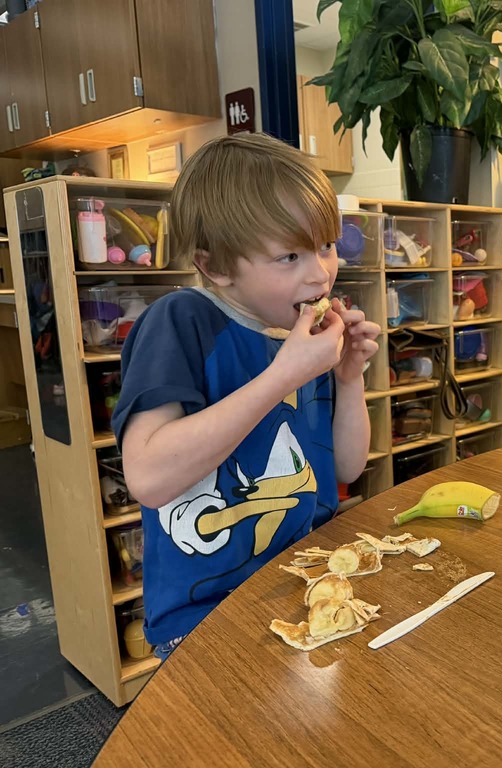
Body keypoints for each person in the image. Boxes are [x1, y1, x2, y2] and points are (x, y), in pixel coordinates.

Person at [111, 133, 380, 659]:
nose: (320, 271)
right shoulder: (181, 322)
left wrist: (348, 377)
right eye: (289, 256)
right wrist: (282, 377)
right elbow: (147, 475)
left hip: (304, 584)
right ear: (217, 268)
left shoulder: (305, 337)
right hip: (205, 614)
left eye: (326, 246)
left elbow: (347, 467)